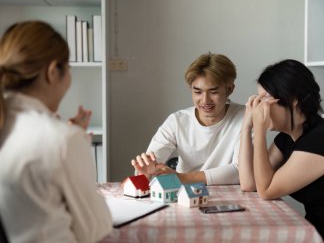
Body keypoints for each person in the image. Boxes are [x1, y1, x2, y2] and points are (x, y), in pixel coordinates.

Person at [239, 59, 324, 242]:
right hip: (323, 227)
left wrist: (258, 129)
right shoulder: (287, 138)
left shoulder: (322, 140)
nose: (259, 107)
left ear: (293, 99)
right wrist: (246, 126)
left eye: (265, 98)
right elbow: (249, 184)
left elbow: (266, 190)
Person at [0, 21, 112, 242]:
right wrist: (70, 140)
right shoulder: (61, 140)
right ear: (52, 72)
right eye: (68, 68)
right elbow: (95, 230)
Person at [131, 53, 245, 185]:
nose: (205, 100)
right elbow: (152, 162)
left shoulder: (244, 117)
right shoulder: (177, 121)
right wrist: (146, 171)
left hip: (231, 196)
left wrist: (182, 178)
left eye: (213, 92)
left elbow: (240, 171)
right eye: (198, 92)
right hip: (185, 194)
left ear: (229, 89)